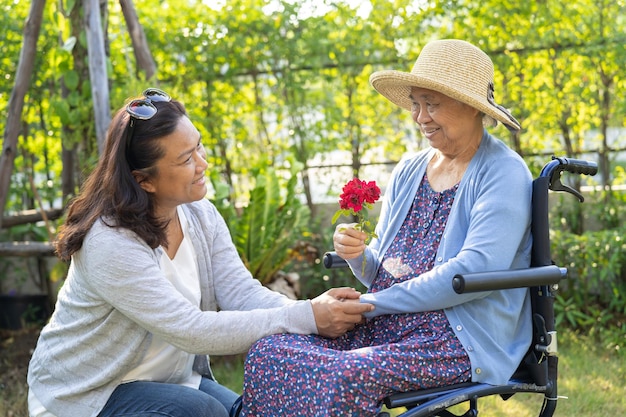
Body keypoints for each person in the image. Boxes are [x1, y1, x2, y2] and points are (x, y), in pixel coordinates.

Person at [26, 88, 374, 417]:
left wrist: (310, 312)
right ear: (143, 180)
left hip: (173, 380)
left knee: (250, 408)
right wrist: (308, 317)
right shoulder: (110, 241)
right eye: (186, 159)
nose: (203, 163)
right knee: (201, 412)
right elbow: (191, 329)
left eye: (199, 147)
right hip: (88, 391)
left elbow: (240, 292)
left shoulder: (199, 214)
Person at [239, 39, 533, 416]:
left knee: (345, 374)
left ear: (471, 106)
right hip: (385, 324)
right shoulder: (410, 170)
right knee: (269, 351)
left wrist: (372, 304)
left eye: (433, 103)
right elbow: (384, 274)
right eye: (416, 103)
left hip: (453, 338)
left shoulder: (503, 172)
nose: (420, 117)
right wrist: (357, 255)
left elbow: (471, 272)